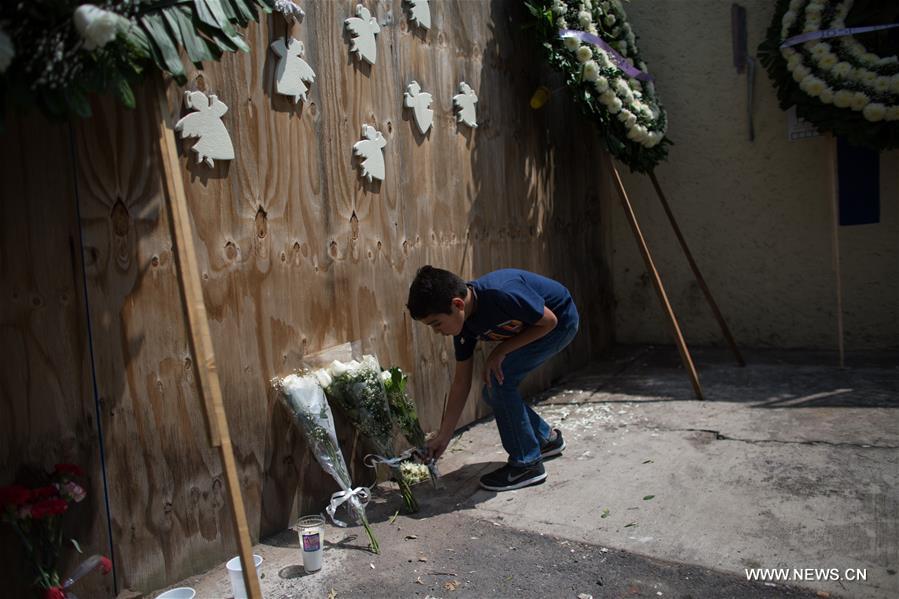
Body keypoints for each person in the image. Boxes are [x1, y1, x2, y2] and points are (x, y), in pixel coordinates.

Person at [406, 266, 579, 491]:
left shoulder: (501, 293)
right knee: (492, 389)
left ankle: (527, 465)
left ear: (457, 304)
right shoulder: (464, 326)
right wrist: (444, 436)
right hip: (539, 329)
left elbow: (549, 321)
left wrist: (501, 350)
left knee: (499, 382)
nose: (437, 332)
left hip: (560, 323)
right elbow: (461, 383)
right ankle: (546, 440)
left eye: (436, 324)